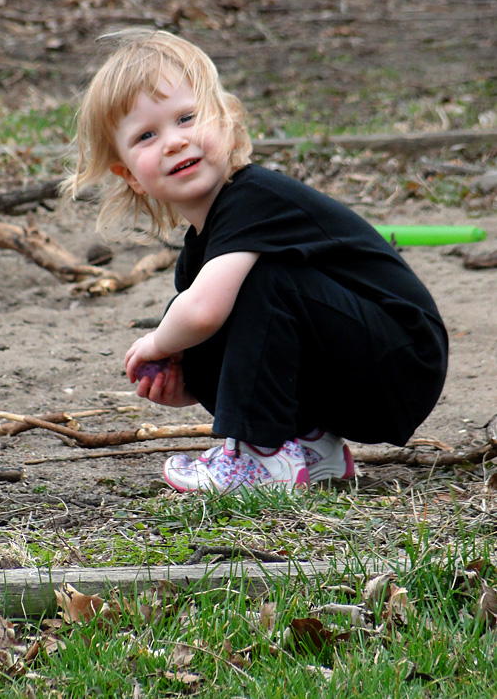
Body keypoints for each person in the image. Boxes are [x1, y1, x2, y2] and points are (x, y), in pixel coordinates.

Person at [66, 28, 449, 494]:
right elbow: (232, 336)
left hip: (403, 359)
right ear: (130, 176)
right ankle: (312, 447)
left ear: (225, 121)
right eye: (147, 135)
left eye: (187, 118)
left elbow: (204, 312)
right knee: (199, 312)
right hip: (360, 382)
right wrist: (186, 382)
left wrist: (156, 343)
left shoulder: (254, 198)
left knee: (245, 289)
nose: (173, 141)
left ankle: (259, 458)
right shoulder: (202, 250)